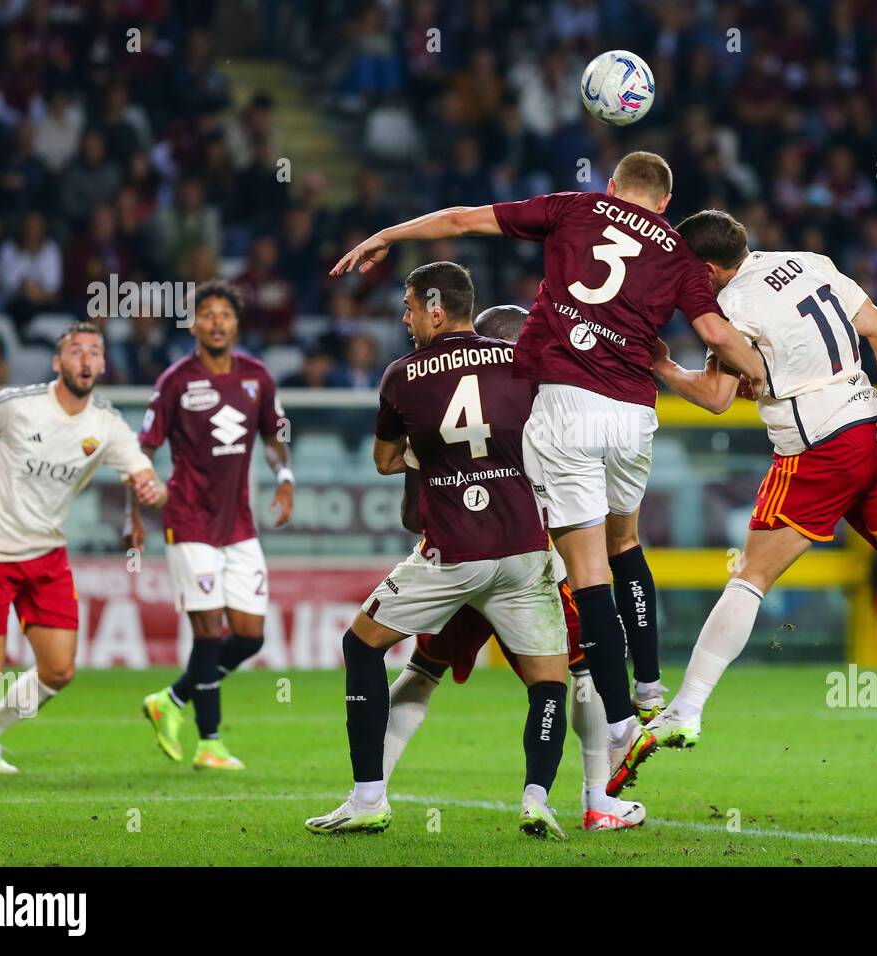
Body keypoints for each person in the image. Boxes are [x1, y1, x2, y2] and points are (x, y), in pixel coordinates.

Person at [330, 151, 766, 798]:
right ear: (665, 204)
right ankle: (638, 705)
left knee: (566, 590)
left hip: (535, 455)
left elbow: (462, 219)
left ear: (611, 187)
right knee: (620, 554)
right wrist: (764, 374)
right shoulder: (675, 251)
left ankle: (375, 791)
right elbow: (716, 335)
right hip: (627, 422)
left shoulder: (576, 209)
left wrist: (388, 235)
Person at [643, 210, 877, 778]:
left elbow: (714, 397)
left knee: (751, 577)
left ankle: (686, 709)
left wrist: (664, 366)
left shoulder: (730, 308)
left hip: (818, 448)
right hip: (873, 429)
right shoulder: (810, 263)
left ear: (707, 268)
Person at [304, 263, 572, 839]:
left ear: (434, 308)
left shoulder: (402, 376)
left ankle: (369, 797)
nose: (402, 319)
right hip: (524, 552)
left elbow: (383, 460)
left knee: (361, 645)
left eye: (407, 307)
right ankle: (537, 799)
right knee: (551, 684)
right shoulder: (521, 361)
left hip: (453, 555)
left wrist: (432, 456)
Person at [382, 304, 644, 831]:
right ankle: (597, 801)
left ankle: (369, 790)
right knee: (582, 671)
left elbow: (413, 516)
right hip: (531, 567)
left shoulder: (437, 413)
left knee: (421, 671)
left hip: (457, 560)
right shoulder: (546, 410)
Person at [0, 323, 166, 773]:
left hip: (47, 555)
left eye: (94, 352)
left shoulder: (106, 425)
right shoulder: (20, 406)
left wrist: (149, 488)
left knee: (59, 670)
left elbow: (144, 476)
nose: (85, 359)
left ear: (102, 364)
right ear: (58, 363)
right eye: (75, 351)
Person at [130, 279, 294, 771]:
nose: (217, 321)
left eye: (225, 313)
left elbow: (273, 434)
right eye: (208, 314)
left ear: (237, 323)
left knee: (249, 635)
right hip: (189, 520)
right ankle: (210, 743)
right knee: (208, 632)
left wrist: (284, 476)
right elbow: (144, 448)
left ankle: (172, 700)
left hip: (239, 524)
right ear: (194, 324)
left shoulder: (257, 377)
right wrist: (138, 503)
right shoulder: (175, 381)